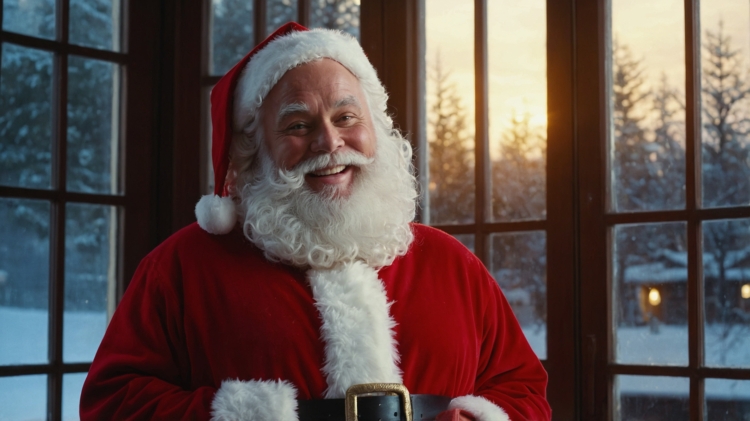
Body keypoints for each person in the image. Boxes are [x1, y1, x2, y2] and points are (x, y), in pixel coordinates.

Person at [80, 23, 551, 421]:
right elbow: (112, 401)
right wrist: (245, 413)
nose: (329, 142)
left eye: (346, 116)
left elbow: (521, 387)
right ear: (253, 150)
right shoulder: (181, 268)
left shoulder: (452, 264)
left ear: (377, 129)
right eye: (297, 125)